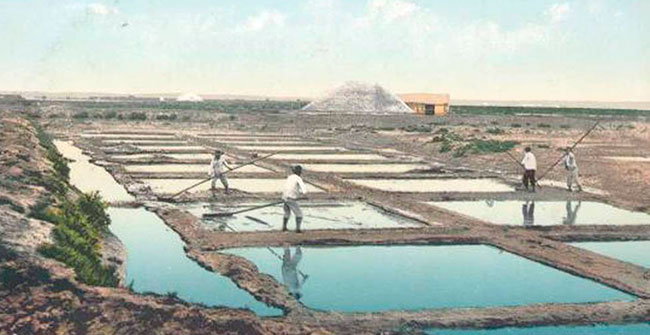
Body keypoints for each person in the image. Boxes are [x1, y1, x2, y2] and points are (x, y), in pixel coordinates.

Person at [282, 165, 307, 233]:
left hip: (284, 197)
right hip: (291, 198)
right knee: (299, 214)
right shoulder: (298, 178)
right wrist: (304, 195)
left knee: (287, 213)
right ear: (299, 172)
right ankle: (298, 229)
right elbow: (304, 190)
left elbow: (286, 187)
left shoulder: (290, 177)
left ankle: (284, 228)